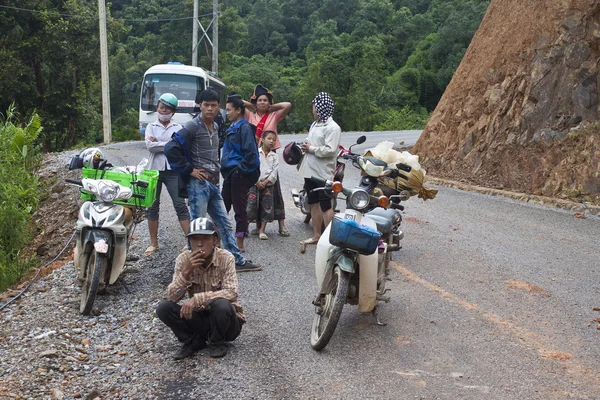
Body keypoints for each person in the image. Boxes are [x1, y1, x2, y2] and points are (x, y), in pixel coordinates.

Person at [164, 88, 262, 272]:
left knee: (224, 223)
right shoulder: (192, 126)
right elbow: (171, 148)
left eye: (214, 105)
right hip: (198, 185)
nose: (210, 108)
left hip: (213, 184)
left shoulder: (216, 126)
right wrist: (189, 170)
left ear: (218, 107)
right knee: (198, 226)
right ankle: (195, 266)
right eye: (206, 105)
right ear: (199, 105)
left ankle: (237, 261)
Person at [155, 218, 244, 359]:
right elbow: (171, 297)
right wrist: (186, 272)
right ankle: (193, 340)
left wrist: (197, 299)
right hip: (199, 318)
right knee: (163, 308)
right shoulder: (183, 259)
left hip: (226, 322)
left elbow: (231, 292)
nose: (200, 244)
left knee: (222, 304)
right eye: (194, 239)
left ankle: (217, 342)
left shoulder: (226, 258)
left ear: (215, 240)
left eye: (205, 238)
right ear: (189, 241)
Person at [144, 93, 190, 256]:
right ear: (157, 107)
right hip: (153, 171)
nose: (164, 111)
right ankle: (153, 243)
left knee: (180, 205)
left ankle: (190, 242)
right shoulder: (151, 126)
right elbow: (150, 146)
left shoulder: (178, 128)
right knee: (152, 206)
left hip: (173, 171)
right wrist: (169, 144)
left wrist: (159, 143)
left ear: (173, 111)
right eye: (161, 107)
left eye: (167, 108)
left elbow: (179, 148)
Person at [243, 84, 292, 237]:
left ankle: (281, 226)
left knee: (274, 190)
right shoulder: (250, 116)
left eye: (265, 100)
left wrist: (270, 107)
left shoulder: (274, 116)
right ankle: (258, 225)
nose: (263, 102)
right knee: (256, 190)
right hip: (255, 155)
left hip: (270, 155)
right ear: (255, 102)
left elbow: (287, 105)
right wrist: (253, 105)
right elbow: (236, 101)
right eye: (260, 100)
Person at [297, 92, 341, 253]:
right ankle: (317, 235)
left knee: (326, 204)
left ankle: (329, 239)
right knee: (313, 202)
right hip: (310, 170)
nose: (313, 110)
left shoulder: (333, 128)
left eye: (314, 107)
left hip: (323, 172)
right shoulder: (315, 124)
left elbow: (330, 150)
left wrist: (312, 149)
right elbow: (311, 143)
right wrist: (305, 147)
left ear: (321, 108)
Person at [221, 92, 260, 253]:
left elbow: (251, 154)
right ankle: (217, 239)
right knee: (222, 206)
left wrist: (239, 171)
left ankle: (240, 243)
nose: (227, 112)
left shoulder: (243, 127)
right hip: (230, 173)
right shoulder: (233, 127)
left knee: (239, 208)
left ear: (238, 110)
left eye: (229, 109)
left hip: (238, 174)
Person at [247, 130, 278, 239]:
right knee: (251, 205)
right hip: (254, 183)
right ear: (263, 140)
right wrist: (257, 181)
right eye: (269, 138)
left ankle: (262, 230)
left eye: (274, 140)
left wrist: (265, 182)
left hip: (268, 185)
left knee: (267, 206)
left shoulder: (274, 156)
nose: (271, 141)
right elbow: (251, 168)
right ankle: (245, 228)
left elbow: (274, 172)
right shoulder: (256, 153)